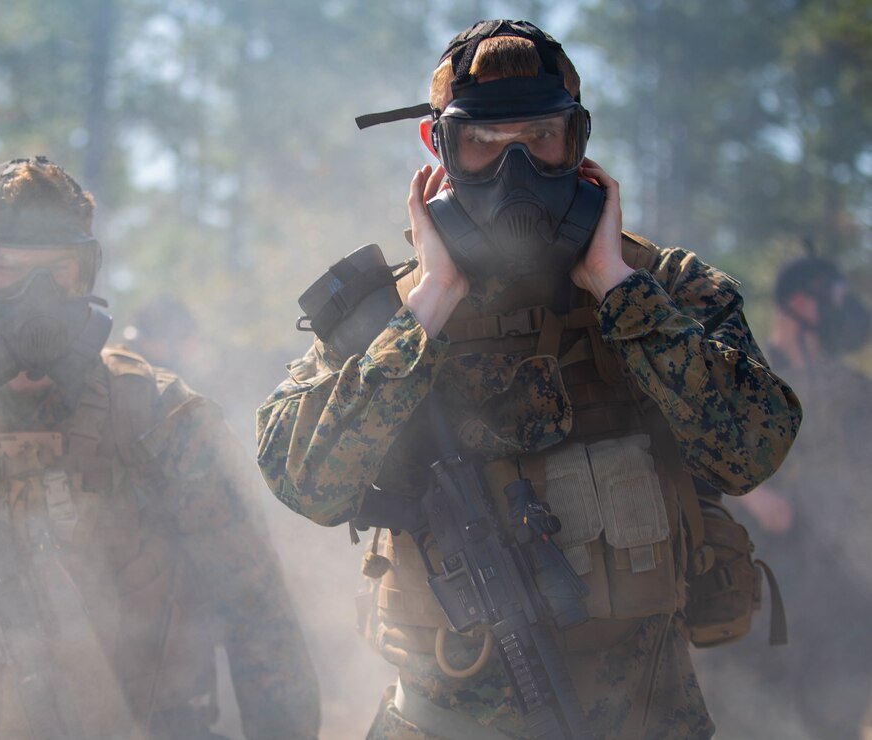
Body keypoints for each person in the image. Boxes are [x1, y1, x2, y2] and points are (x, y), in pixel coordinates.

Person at [255, 20, 801, 740]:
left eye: (541, 138)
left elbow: (753, 450)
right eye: (483, 143)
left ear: (577, 144)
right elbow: (305, 482)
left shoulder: (661, 288)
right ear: (438, 148)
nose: (516, 169)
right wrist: (426, 310)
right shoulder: (389, 317)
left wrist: (618, 290)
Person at [0, 156, 320, 740]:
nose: (37, 297)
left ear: (89, 273)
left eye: (59, 271)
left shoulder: (164, 420)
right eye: (8, 270)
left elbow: (263, 629)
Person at [696, 254, 872, 739]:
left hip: (840, 605)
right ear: (799, 301)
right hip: (758, 593)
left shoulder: (856, 393)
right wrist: (755, 495)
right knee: (748, 720)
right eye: (834, 297)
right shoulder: (745, 375)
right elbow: (690, 446)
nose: (848, 310)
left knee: (833, 720)